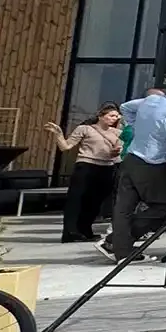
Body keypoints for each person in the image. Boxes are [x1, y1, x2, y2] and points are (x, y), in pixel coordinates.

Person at [103, 87, 166, 263]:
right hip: (154, 162)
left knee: (123, 207)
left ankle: (121, 250)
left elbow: (125, 107)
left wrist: (136, 128)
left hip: (132, 157)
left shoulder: (150, 101)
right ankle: (117, 242)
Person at [44, 103, 122, 243]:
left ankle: (86, 229)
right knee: (77, 200)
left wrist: (116, 151)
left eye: (116, 116)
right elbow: (65, 146)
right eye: (111, 116)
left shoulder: (117, 133)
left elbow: (117, 153)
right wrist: (58, 134)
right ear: (101, 116)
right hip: (86, 165)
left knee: (95, 202)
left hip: (107, 167)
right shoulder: (85, 129)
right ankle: (70, 232)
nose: (114, 119)